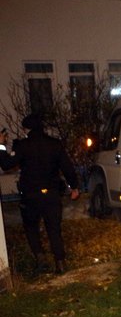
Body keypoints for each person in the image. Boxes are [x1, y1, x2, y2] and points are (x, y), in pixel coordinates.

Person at [0, 114, 81, 276]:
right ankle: (60, 263)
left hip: (31, 196)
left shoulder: (23, 146)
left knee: (31, 228)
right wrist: (75, 187)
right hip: (51, 194)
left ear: (27, 129)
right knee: (54, 229)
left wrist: (1, 145)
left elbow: (6, 164)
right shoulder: (55, 144)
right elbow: (67, 167)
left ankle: (41, 259)